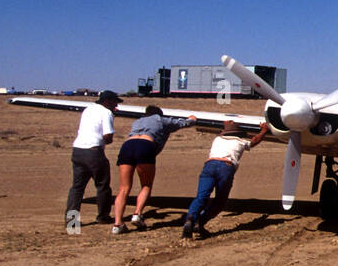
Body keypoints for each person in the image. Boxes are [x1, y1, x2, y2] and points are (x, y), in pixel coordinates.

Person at [111, 105, 198, 233]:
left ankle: (117, 224)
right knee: (146, 185)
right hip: (145, 146)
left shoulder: (137, 121)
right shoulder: (160, 119)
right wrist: (192, 119)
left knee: (123, 188)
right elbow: (183, 123)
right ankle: (137, 214)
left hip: (127, 146)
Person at [182, 120, 271, 239]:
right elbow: (254, 141)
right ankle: (201, 221)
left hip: (209, 165)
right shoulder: (239, 141)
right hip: (226, 167)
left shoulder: (217, 140)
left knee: (201, 196)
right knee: (220, 201)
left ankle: (190, 218)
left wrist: (227, 124)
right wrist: (264, 130)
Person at [65, 90, 119, 227]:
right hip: (93, 152)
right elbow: (108, 136)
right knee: (102, 185)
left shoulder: (88, 109)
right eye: (114, 102)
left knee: (77, 187)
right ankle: (103, 216)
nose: (116, 105)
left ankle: (72, 222)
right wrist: (106, 141)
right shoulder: (106, 113)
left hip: (77, 150)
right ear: (108, 101)